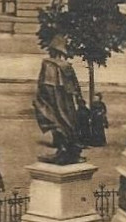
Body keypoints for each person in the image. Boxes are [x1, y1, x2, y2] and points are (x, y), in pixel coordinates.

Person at [34, 36, 90, 164]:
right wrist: (78, 98)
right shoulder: (66, 66)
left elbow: (44, 84)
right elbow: (74, 86)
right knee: (66, 123)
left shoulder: (48, 64)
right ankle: (66, 150)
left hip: (55, 99)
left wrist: (42, 98)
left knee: (59, 122)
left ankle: (66, 151)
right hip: (66, 100)